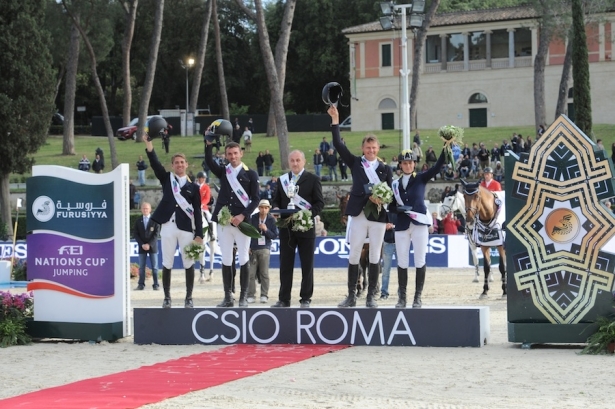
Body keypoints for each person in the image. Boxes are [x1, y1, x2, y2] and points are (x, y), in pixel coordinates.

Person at [328, 105, 393, 308]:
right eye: (368, 148)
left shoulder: (386, 169)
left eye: (374, 148)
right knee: (354, 253)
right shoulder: (356, 163)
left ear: (378, 149)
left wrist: (382, 200)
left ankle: (371, 296)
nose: (371, 151)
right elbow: (338, 144)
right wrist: (336, 121)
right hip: (358, 214)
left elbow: (390, 194)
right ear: (363, 148)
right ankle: (351, 295)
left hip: (378, 217)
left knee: (375, 255)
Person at [144, 134, 203, 309]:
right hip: (168, 226)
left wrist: (199, 233)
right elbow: (155, 164)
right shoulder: (167, 179)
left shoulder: (194, 188)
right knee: (167, 262)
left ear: (186, 165)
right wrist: (149, 144)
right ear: (172, 165)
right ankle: (167, 297)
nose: (179, 165)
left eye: (182, 162)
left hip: (186, 228)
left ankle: (189, 298)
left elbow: (198, 211)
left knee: (188, 262)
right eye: (176, 162)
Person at [389, 147, 446, 309]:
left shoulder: (421, 178)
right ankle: (402, 298)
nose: (408, 165)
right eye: (405, 163)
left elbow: (436, 167)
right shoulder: (395, 184)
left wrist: (444, 149)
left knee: (420, 260)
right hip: (401, 225)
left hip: (419, 223)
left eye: (410, 163)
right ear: (400, 165)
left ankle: (417, 297)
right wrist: (398, 209)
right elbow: (391, 206)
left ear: (415, 164)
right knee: (402, 261)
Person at [205, 140, 260, 307]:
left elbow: (256, 199)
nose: (233, 156)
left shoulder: (251, 174)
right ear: (226, 156)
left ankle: (243, 296)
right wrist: (208, 145)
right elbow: (209, 162)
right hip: (224, 221)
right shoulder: (224, 171)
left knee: (243, 257)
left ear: (241, 154)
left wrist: (243, 215)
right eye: (229, 154)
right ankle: (228, 296)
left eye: (235, 153)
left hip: (242, 222)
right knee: (227, 258)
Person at [271, 150, 324, 308]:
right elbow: (276, 201)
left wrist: (306, 215)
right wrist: (275, 210)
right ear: (289, 162)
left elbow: (319, 204)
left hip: (306, 228)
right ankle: (284, 299)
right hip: (286, 228)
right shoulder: (282, 180)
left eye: (298, 160)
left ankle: (306, 298)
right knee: (285, 264)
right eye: (292, 160)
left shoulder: (313, 179)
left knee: (307, 265)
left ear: (304, 161)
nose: (295, 163)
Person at [247, 199, 278, 304]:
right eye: (262, 207)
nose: (264, 209)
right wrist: (248, 246)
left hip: (265, 248)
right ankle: (251, 295)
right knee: (251, 273)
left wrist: (266, 230)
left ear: (269, 208)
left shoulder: (271, 220)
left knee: (264, 273)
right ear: (259, 208)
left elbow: (274, 235)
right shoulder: (253, 218)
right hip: (253, 248)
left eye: (266, 207)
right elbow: (248, 232)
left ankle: (264, 295)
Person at [133, 202, 160, 291]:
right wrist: (142, 244)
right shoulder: (138, 221)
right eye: (144, 208)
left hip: (152, 247)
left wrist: (149, 244)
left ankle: (156, 284)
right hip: (142, 247)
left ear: (150, 210)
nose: (145, 210)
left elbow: (156, 234)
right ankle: (141, 285)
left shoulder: (155, 220)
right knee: (141, 267)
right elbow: (136, 234)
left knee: (155, 267)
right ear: (141, 209)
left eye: (147, 208)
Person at [196, 171, 217, 282]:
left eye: (203, 178)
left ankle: (212, 233)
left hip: (203, 208)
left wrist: (201, 204)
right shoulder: (195, 187)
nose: (201, 180)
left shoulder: (206, 187)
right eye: (200, 178)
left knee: (209, 218)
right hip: (195, 208)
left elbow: (207, 198)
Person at [380, 212, 397, 300]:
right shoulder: (385, 213)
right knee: (386, 270)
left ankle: (401, 292)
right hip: (388, 242)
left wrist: (393, 226)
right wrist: (385, 225)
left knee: (401, 270)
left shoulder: (401, 211)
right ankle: (384, 292)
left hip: (399, 242)